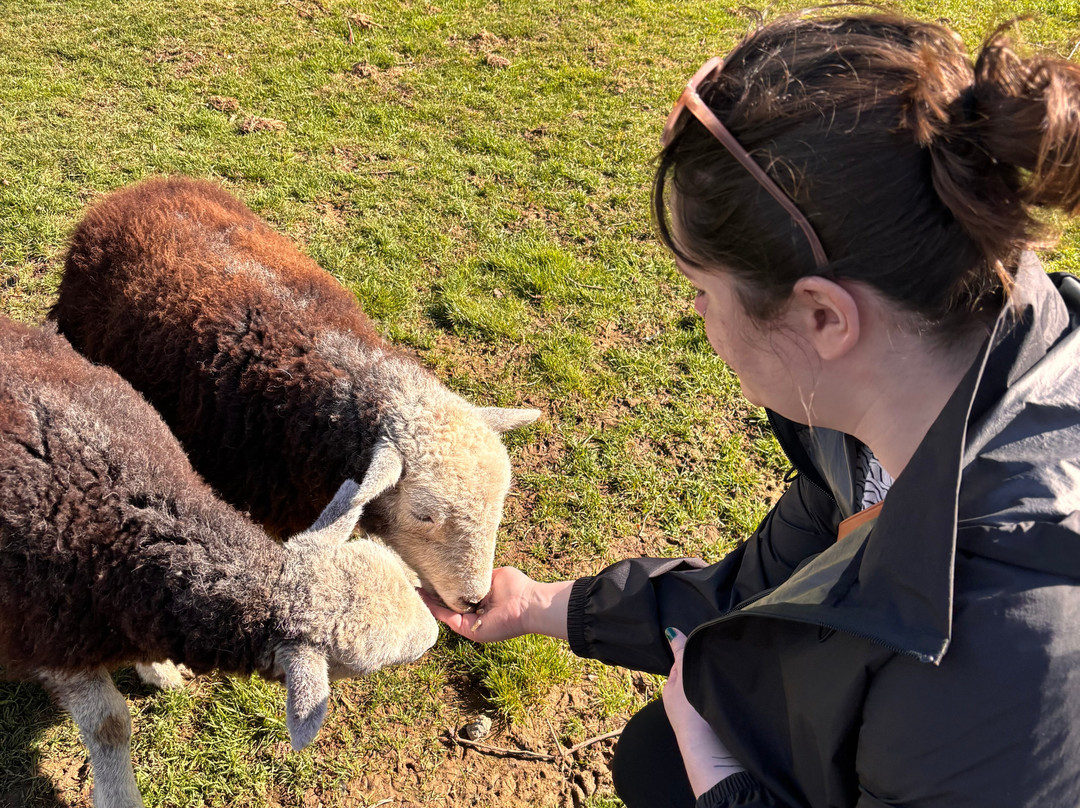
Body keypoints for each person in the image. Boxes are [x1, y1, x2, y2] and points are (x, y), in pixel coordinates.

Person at [424, 12, 1080, 807]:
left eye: (702, 292)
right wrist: (540, 607)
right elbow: (769, 591)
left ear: (824, 318)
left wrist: (716, 773)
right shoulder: (892, 413)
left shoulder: (1014, 651)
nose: (696, 319)